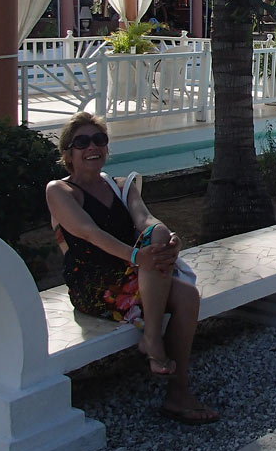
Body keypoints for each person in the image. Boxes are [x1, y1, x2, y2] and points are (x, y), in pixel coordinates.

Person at [45, 112, 218, 424]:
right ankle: (153, 339)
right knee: (152, 257)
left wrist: (169, 239)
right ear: (68, 153)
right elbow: (88, 232)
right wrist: (140, 257)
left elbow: (145, 220)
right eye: (81, 142)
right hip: (93, 284)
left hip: (136, 273)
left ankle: (178, 392)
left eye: (99, 140)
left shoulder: (123, 186)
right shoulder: (59, 191)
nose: (92, 147)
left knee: (182, 285)